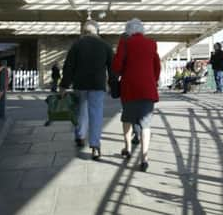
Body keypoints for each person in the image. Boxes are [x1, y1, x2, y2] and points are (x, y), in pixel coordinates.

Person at [111, 18, 160, 172]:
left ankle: (127, 149)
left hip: (129, 88)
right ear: (142, 30)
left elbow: (116, 65)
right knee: (146, 124)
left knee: (127, 119)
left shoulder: (125, 43)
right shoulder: (152, 44)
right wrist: (153, 80)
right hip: (148, 88)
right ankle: (144, 158)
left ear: (128, 31)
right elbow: (157, 67)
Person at [60, 20, 113, 160]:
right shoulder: (105, 46)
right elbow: (112, 69)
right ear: (97, 31)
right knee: (96, 114)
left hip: (80, 85)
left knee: (80, 112)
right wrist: (114, 86)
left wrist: (64, 85)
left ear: (84, 32)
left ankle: (80, 137)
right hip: (97, 85)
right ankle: (95, 146)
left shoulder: (77, 45)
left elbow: (68, 67)